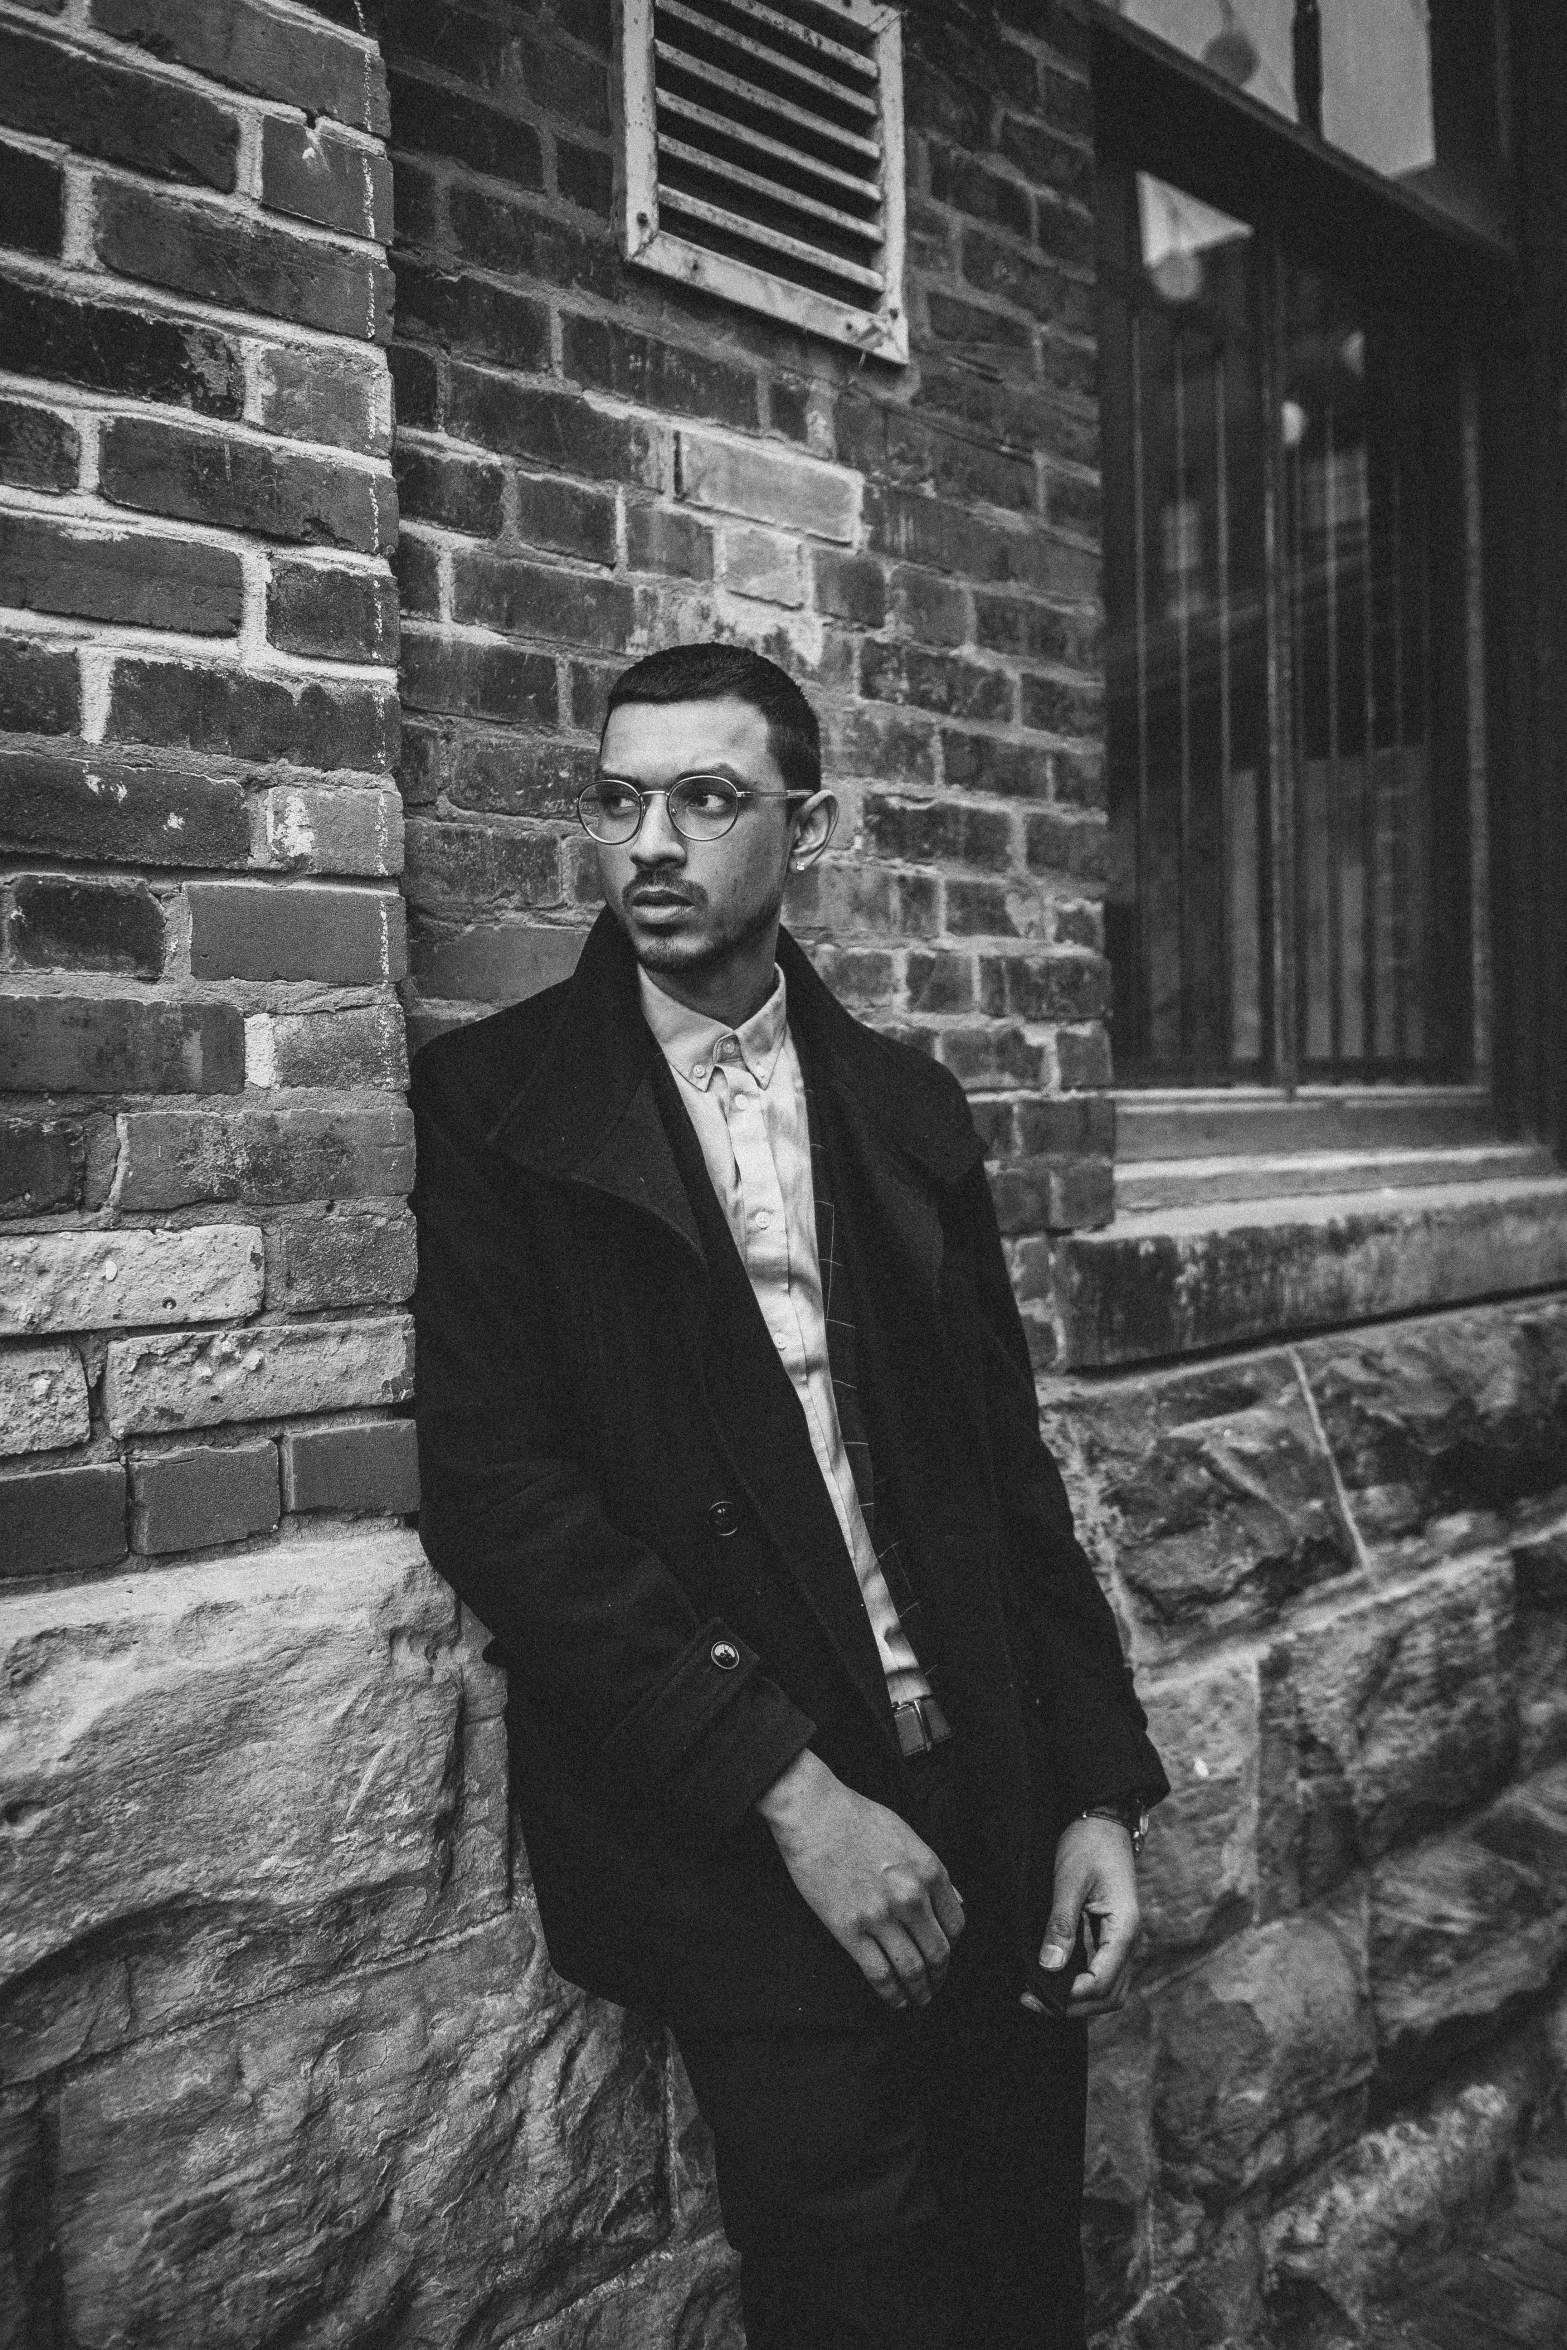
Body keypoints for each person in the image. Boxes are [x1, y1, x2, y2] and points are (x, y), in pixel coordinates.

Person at [411, 644, 1168, 2350]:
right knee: (860, 2303)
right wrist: (791, 1795)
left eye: (706, 798)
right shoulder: (501, 1110)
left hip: (987, 1803)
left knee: (1020, 2282)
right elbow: (498, 1496)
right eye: (620, 801)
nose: (650, 843)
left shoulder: (908, 1110)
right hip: (753, 1847)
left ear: (804, 830)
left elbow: (1003, 1476)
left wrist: (1097, 1790)